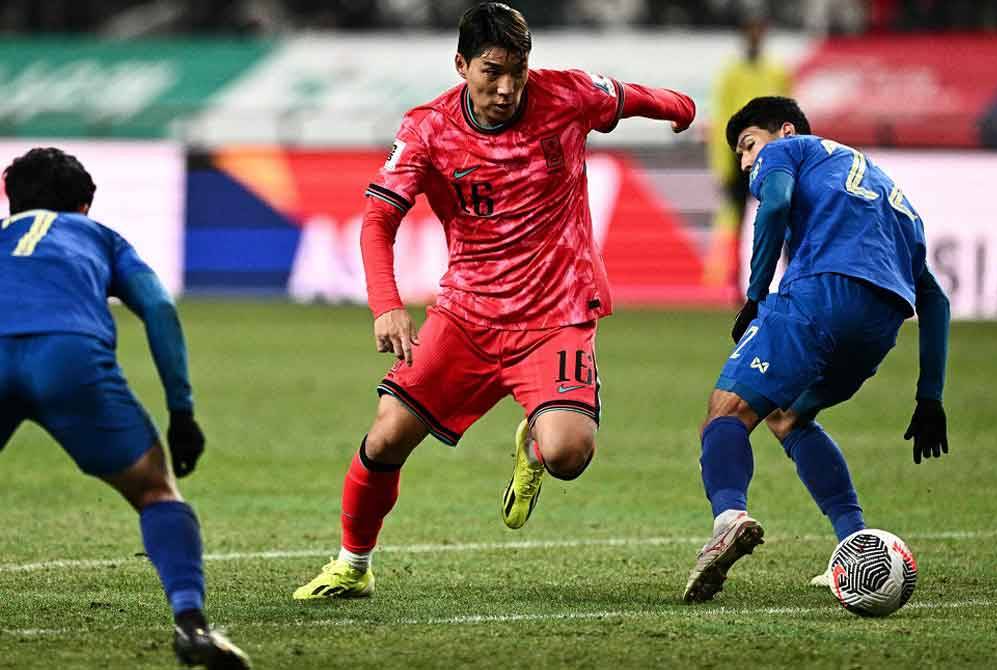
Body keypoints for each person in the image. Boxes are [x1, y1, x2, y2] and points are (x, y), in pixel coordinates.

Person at [293, 1, 695, 600]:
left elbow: (630, 96)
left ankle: (535, 440)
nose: (507, 88)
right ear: (461, 65)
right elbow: (378, 219)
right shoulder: (426, 129)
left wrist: (680, 108)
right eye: (492, 72)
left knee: (568, 453)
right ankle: (354, 563)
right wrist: (387, 304)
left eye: (518, 71)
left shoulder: (568, 94)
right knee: (385, 437)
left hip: (556, 313)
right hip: (467, 315)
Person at [683, 97, 950, 603]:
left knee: (727, 410)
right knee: (788, 417)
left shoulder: (791, 150)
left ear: (785, 131)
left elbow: (777, 204)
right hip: (879, 325)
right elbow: (934, 299)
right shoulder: (889, 191)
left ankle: (728, 519)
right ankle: (857, 547)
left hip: (821, 295)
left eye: (748, 146)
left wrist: (756, 293)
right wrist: (929, 395)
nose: (746, 163)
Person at [0, 148, 250, 669]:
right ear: (85, 204)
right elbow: (158, 306)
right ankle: (191, 626)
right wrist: (181, 412)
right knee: (156, 491)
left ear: (9, 199)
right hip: (68, 358)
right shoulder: (99, 236)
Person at [703, 15, 791, 291]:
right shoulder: (731, 74)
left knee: (785, 214)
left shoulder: (778, 71)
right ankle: (739, 282)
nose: (754, 36)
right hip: (741, 155)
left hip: (776, 155)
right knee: (739, 219)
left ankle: (790, 277)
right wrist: (721, 165)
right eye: (750, 31)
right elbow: (720, 120)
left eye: (758, 31)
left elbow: (791, 116)